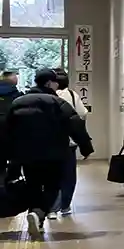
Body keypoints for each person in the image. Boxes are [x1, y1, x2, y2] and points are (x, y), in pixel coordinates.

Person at [4, 68, 93, 235]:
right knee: (53, 186)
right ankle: (38, 213)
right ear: (48, 83)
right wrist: (86, 147)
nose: (57, 85)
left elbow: (7, 130)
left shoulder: (18, 102)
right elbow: (75, 123)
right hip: (53, 154)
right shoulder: (56, 102)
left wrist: (10, 154)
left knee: (34, 185)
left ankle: (37, 218)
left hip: (27, 155)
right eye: (55, 82)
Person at [49, 68, 88, 218]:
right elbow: (83, 113)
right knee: (69, 175)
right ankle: (65, 206)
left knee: (52, 175)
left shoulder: (47, 96)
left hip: (51, 142)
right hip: (70, 142)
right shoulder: (72, 95)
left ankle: (52, 208)